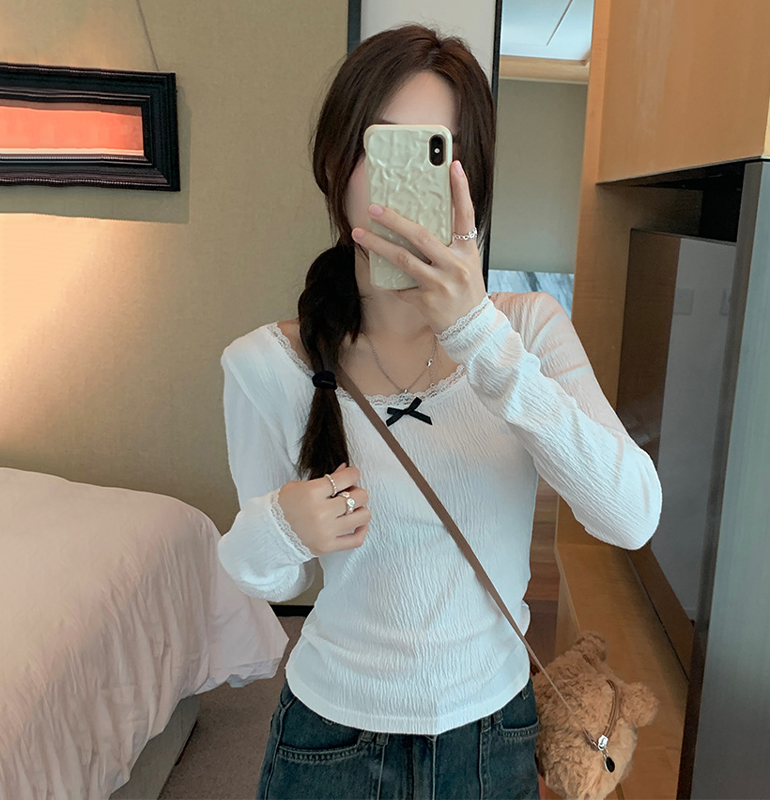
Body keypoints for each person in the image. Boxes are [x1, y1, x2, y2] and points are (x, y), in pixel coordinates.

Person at [217, 23, 663, 800]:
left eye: (435, 152)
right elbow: (264, 576)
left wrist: (480, 338)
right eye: (381, 145)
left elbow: (632, 517)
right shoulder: (266, 363)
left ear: (470, 177)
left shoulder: (526, 332)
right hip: (328, 740)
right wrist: (284, 524)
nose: (401, 185)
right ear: (337, 161)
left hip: (493, 734)